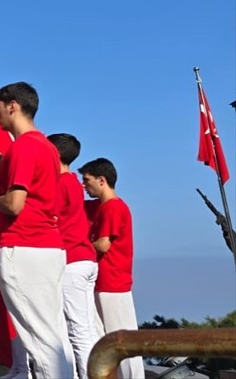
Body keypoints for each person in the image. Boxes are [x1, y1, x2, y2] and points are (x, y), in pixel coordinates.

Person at [0, 82, 73, 378]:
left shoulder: (24, 147)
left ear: (13, 105)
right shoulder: (45, 147)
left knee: (40, 341)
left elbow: (15, 203)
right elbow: (6, 165)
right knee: (53, 336)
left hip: (24, 247)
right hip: (47, 248)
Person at [80, 158, 144, 379]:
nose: (84, 185)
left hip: (112, 283)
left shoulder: (112, 208)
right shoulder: (105, 207)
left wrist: (78, 248)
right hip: (109, 282)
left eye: (86, 180)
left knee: (121, 341)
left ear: (101, 180)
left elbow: (103, 244)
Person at [48, 133, 101, 379]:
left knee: (77, 329)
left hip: (72, 260)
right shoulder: (72, 181)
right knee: (86, 326)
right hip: (84, 259)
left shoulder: (60, 182)